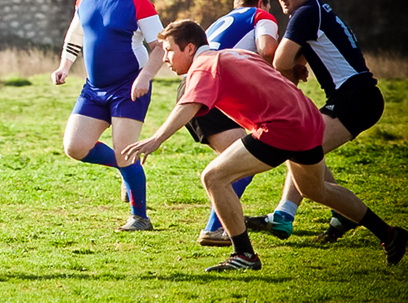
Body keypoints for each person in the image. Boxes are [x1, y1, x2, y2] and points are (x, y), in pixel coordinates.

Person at [122, 20, 405, 272]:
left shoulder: (204, 64)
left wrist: (156, 139)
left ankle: (243, 254)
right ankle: (389, 233)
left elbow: (190, 104)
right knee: (315, 190)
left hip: (281, 128)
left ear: (189, 48)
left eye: (169, 51)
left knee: (214, 177)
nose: (166, 60)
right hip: (308, 119)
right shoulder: (235, 53)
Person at [244, 0, 385, 243]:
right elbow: (308, 55)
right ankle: (336, 213)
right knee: (304, 150)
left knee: (297, 143)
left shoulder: (307, 12)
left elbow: (281, 61)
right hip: (355, 96)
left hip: (356, 98)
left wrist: (288, 70)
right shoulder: (317, 10)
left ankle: (285, 216)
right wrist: (297, 67)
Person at [51, 0, 164, 231]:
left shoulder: (140, 3)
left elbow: (160, 48)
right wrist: (64, 66)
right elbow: (74, 35)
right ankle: (126, 168)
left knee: (126, 151)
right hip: (94, 88)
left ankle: (140, 217)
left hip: (129, 89)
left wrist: (145, 77)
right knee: (75, 147)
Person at [186, 0, 279, 247]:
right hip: (212, 93)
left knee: (236, 165)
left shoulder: (220, 22)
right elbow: (268, 49)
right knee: (241, 167)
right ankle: (214, 229)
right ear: (261, 4)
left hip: (196, 90)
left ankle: (219, 227)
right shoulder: (259, 16)